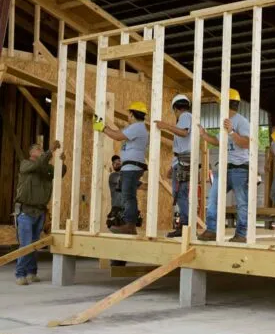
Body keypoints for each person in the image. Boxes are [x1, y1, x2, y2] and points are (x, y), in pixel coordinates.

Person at [197, 88, 250, 242]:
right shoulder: (224, 122)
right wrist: (204, 135)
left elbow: (247, 143)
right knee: (213, 199)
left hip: (239, 169)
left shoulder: (241, 121)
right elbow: (220, 142)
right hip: (224, 168)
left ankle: (241, 234)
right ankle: (212, 230)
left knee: (242, 203)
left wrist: (232, 132)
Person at [14, 140, 66, 285]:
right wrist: (50, 151)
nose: (42, 151)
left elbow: (59, 173)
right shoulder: (26, 165)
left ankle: (31, 273)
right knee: (26, 245)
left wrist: (62, 162)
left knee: (35, 244)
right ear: (31, 153)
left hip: (39, 212)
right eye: (38, 149)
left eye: (42, 149)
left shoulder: (46, 169)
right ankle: (20, 274)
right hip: (26, 211)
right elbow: (37, 164)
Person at [94, 102, 149, 235]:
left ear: (132, 114)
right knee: (128, 195)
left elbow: (117, 136)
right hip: (130, 167)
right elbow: (119, 132)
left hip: (132, 167)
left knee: (129, 197)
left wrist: (102, 128)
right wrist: (105, 128)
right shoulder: (136, 128)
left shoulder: (137, 127)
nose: (128, 116)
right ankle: (129, 224)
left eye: (129, 114)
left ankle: (130, 225)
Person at [154, 94, 193, 238]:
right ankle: (185, 225)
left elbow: (183, 133)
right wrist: (172, 167)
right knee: (180, 193)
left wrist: (166, 126)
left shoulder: (185, 116)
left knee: (180, 194)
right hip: (181, 161)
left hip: (183, 161)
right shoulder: (188, 117)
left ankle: (184, 226)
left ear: (176, 108)